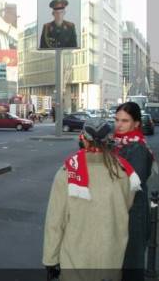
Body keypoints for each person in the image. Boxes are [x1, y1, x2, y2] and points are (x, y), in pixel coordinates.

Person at [43, 118, 140, 281]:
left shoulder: (67, 173)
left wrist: (50, 260)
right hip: (110, 259)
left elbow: (55, 221)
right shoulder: (125, 173)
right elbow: (126, 207)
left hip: (75, 261)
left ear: (83, 140)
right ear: (110, 141)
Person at [113, 102, 155, 281]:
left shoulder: (137, 147)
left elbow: (131, 183)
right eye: (116, 120)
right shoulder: (117, 143)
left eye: (125, 121)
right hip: (120, 209)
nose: (119, 125)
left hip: (133, 214)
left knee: (131, 262)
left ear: (136, 124)